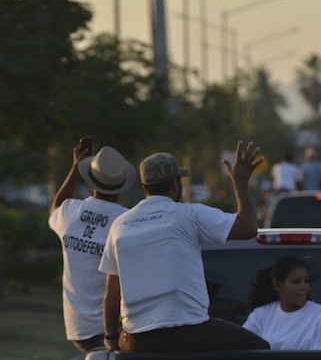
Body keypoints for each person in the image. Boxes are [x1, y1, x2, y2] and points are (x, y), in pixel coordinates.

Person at [99, 141, 270, 353]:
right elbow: (247, 227)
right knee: (261, 349)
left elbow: (111, 293)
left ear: (145, 187)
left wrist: (111, 338)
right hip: (188, 334)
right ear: (174, 183)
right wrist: (240, 182)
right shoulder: (189, 214)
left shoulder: (119, 225)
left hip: (136, 340)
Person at [48, 145, 136, 353]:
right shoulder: (127, 220)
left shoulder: (70, 212)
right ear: (122, 187)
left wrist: (75, 167)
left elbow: (56, 207)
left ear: (90, 184)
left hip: (79, 330)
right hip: (116, 329)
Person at [243, 255, 321, 350]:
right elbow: (242, 345)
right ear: (277, 285)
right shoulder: (260, 314)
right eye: (296, 282)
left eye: (306, 281)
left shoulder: (318, 314)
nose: (304, 287)